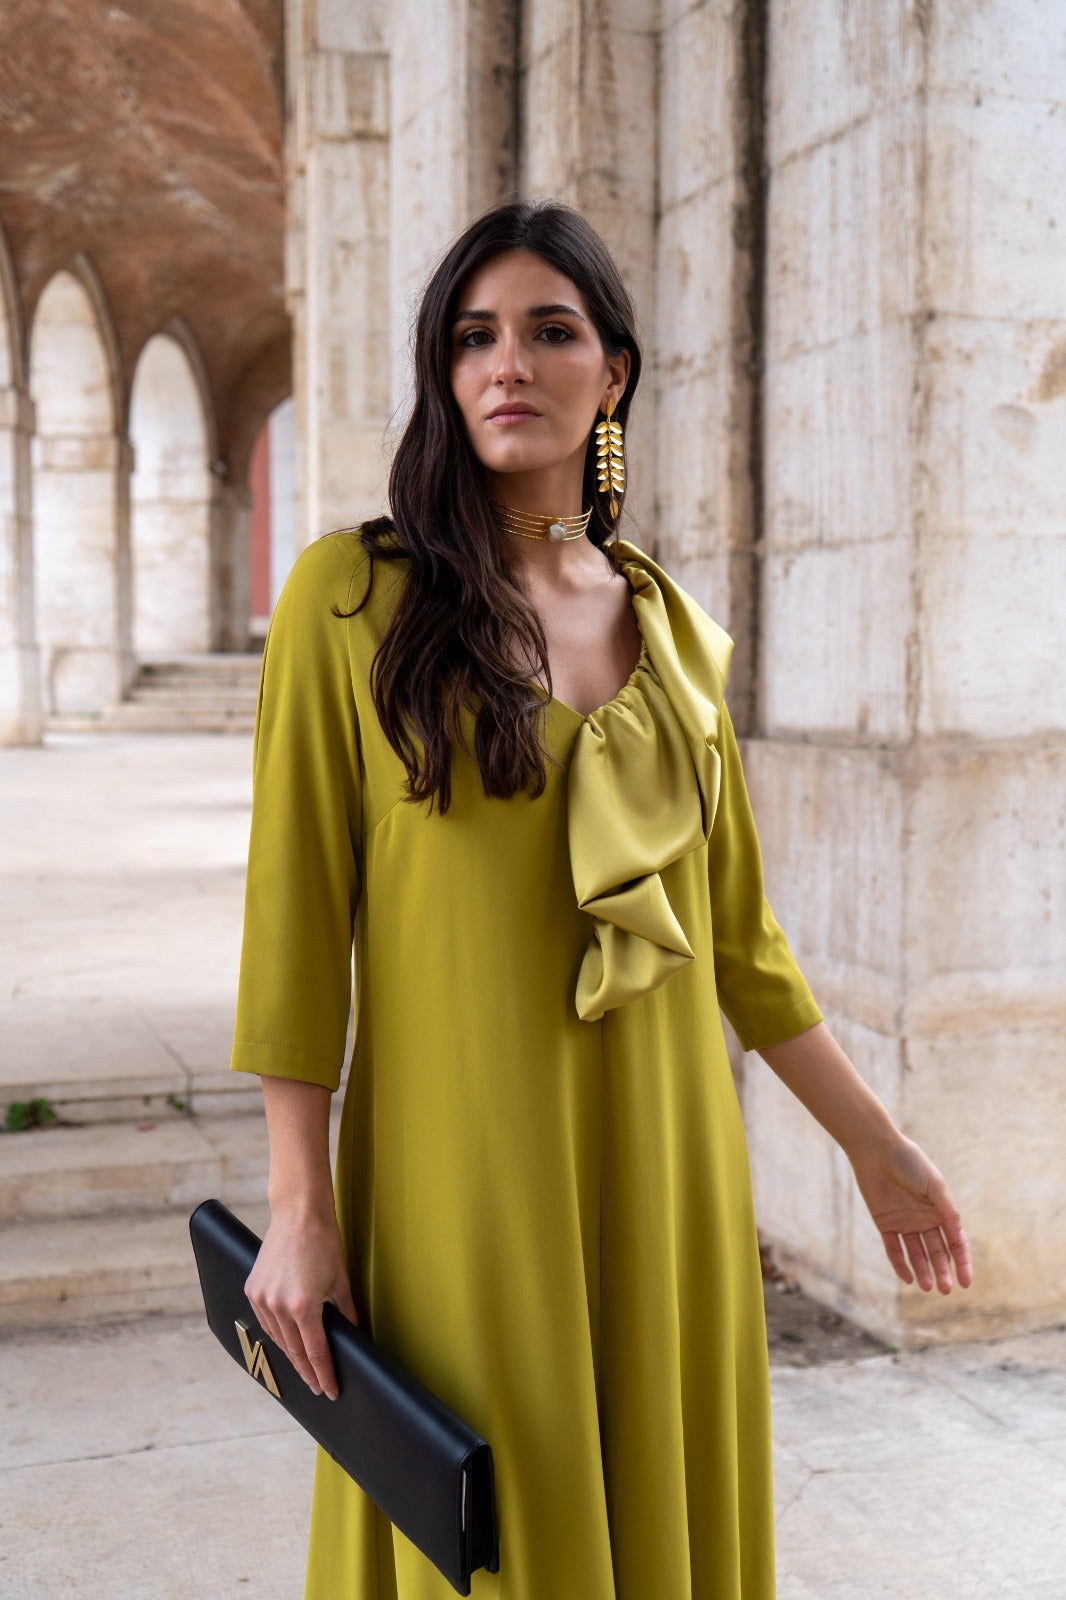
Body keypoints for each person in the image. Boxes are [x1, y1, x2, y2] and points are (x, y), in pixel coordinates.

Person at [231, 199, 972, 1600]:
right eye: (473, 337)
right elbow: (293, 931)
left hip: (666, 1167)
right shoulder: (349, 600)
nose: (508, 362)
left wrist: (876, 1150)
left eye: (549, 330)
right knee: (491, 1530)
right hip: (460, 1173)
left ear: (612, 371)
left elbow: (743, 948)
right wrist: (298, 1204)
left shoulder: (675, 632)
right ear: (444, 373)